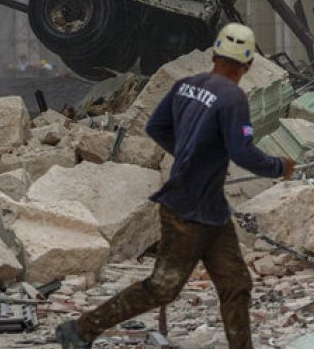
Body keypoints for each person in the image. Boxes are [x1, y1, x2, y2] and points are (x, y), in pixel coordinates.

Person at [56, 24, 296, 349]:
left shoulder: (186, 86)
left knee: (235, 283)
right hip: (187, 213)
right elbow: (243, 152)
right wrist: (279, 166)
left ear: (214, 55)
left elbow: (156, 127)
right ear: (248, 64)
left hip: (210, 211)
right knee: (162, 287)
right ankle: (81, 329)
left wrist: (189, 153)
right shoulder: (233, 98)